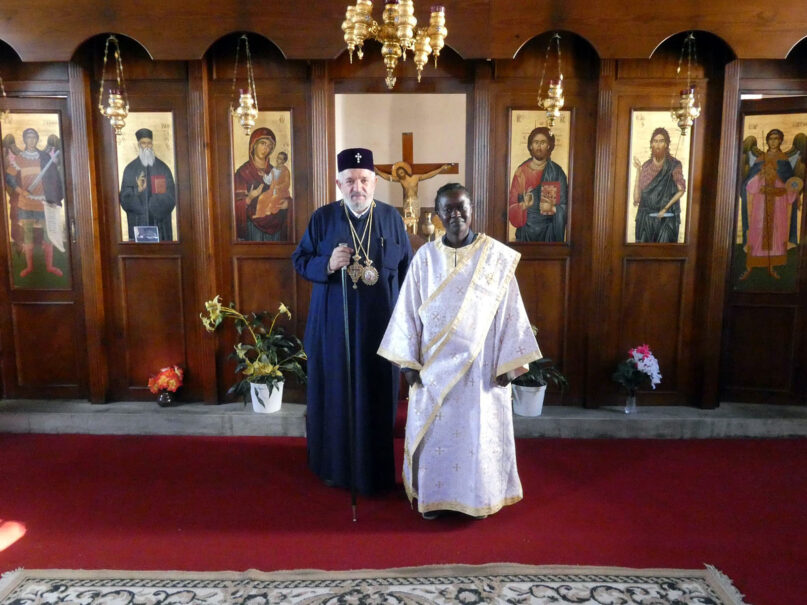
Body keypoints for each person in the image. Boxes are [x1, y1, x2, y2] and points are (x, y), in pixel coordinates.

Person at [378, 183, 541, 519]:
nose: (455, 215)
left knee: (475, 433)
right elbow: (408, 309)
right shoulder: (425, 257)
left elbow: (511, 310)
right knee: (436, 433)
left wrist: (510, 364)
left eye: (461, 208)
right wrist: (407, 364)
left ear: (472, 209)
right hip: (433, 369)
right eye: (447, 209)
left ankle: (477, 497)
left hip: (480, 368)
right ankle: (433, 498)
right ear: (437, 215)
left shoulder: (494, 257)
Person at [292, 147, 413, 495]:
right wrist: (327, 265)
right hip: (334, 330)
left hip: (381, 331)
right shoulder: (323, 218)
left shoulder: (392, 218)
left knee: (378, 401)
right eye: (349, 181)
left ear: (374, 182)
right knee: (335, 399)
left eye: (363, 180)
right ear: (338, 183)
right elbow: (299, 260)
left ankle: (375, 471)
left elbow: (406, 273)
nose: (357, 187)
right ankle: (333, 468)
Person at [739, 128, 803, 280]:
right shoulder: (761, 158)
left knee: (775, 234)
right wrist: (760, 174)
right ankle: (749, 267)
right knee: (757, 233)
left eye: (776, 138)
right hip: (760, 205)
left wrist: (794, 191)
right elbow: (749, 185)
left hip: (778, 206)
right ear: (767, 140)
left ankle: (771, 266)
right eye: (771, 139)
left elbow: (789, 183)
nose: (773, 141)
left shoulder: (784, 160)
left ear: (780, 140)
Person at [4, 128, 65, 277]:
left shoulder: (44, 157)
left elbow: (53, 178)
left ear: (37, 139)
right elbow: (9, 178)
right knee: (28, 236)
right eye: (28, 137)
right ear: (24, 140)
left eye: (34, 137)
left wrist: (52, 197)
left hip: (44, 203)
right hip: (26, 203)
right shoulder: (19, 158)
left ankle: (50, 266)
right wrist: (20, 190)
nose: (31, 140)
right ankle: (29, 267)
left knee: (47, 236)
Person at [508, 126, 568, 242]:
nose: (539, 147)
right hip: (525, 233)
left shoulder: (557, 172)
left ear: (549, 146)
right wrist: (524, 205)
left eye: (543, 142)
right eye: (536, 142)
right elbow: (511, 207)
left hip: (549, 233)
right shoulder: (521, 172)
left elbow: (566, 207)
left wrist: (553, 209)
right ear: (530, 146)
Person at [119, 128, 176, 242]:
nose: (147, 146)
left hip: (160, 224)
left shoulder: (163, 168)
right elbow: (124, 198)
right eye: (143, 143)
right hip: (139, 223)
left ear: (152, 144)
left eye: (149, 143)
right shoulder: (130, 169)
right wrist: (138, 190)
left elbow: (172, 196)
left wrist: (154, 206)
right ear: (138, 145)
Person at [632, 127, 686, 243]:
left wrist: (665, 208)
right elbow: (637, 198)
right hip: (646, 222)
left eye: (661, 141)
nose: (658, 145)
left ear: (666, 144)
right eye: (655, 141)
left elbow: (681, 190)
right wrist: (638, 171)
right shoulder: (646, 167)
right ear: (651, 144)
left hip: (666, 220)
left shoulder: (674, 165)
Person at [234, 127, 288, 241]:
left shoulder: (275, 171)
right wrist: (250, 197)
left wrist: (287, 204)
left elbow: (284, 194)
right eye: (263, 143)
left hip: (276, 224)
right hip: (254, 227)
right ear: (254, 145)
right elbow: (233, 205)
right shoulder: (243, 173)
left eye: (269, 146)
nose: (266, 148)